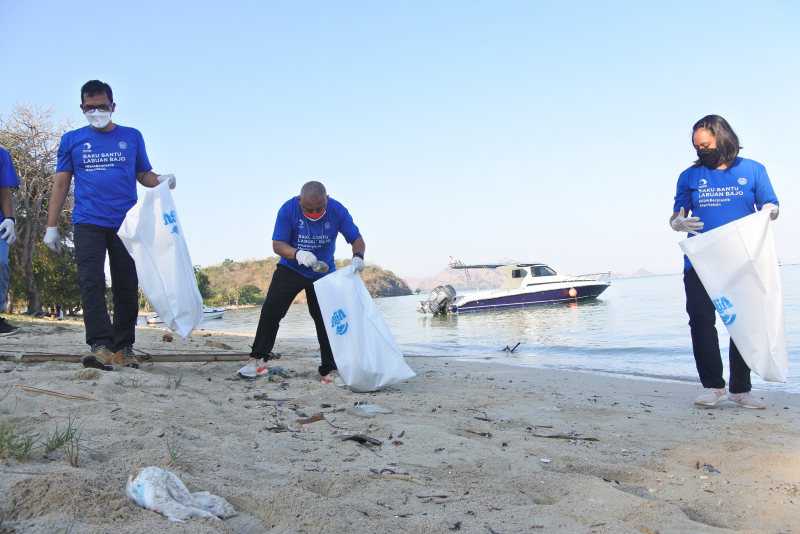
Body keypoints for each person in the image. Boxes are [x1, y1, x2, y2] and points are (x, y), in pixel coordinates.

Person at [44, 80, 176, 370]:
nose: (96, 112)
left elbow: (143, 174)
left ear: (113, 106)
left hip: (126, 224)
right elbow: (61, 183)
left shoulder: (132, 136)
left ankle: (124, 347)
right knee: (91, 282)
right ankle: (100, 345)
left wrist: (162, 181)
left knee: (126, 284)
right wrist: (51, 226)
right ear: (82, 108)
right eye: (90, 108)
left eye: (102, 106)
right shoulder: (71, 140)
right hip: (87, 222)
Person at [670, 115, 779, 409]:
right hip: (700, 263)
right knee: (701, 321)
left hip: (742, 261)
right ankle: (712, 386)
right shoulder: (689, 177)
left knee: (742, 322)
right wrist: (678, 222)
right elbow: (675, 216)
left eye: (705, 145)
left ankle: (741, 390)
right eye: (696, 147)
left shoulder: (753, 170)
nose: (701, 151)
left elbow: (771, 203)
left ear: (722, 138)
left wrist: (769, 210)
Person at [241, 181, 366, 383]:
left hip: (323, 272)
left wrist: (358, 256)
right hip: (292, 267)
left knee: (326, 320)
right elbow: (278, 244)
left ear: (327, 199)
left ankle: (329, 370)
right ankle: (257, 361)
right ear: (300, 201)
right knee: (271, 311)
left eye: (320, 208)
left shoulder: (337, 210)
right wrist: (298, 254)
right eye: (310, 209)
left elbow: (357, 239)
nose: (315, 213)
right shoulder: (288, 209)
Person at [0, 145, 20, 336]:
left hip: (0, 222)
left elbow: (4, 189)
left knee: (1, 263)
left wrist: (9, 219)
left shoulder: (2, 154)